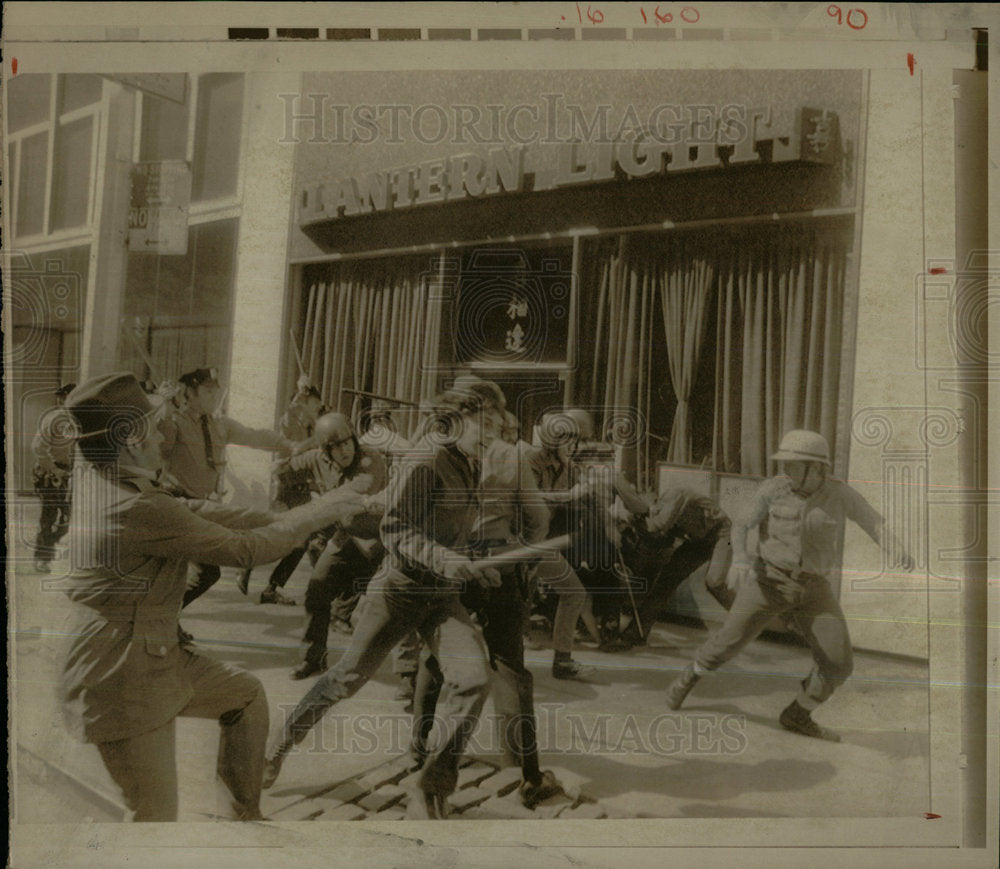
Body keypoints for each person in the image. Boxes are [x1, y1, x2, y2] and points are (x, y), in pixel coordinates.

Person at [57, 372, 369, 822]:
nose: (164, 434)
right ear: (127, 440)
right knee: (154, 817)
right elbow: (247, 550)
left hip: (150, 650)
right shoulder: (134, 506)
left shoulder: (104, 473)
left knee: (243, 697)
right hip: (120, 676)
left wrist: (310, 510)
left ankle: (241, 820)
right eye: (151, 424)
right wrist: (325, 512)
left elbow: (201, 511)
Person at [262, 386, 505, 820]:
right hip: (399, 590)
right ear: (456, 419)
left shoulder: (470, 464)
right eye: (486, 426)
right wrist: (444, 557)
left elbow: (449, 532)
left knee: (473, 681)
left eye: (497, 429)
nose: (493, 436)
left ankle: (429, 788)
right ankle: (277, 745)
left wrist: (475, 561)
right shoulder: (426, 460)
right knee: (347, 678)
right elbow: (395, 530)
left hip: (441, 596)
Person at [664, 429, 914, 741]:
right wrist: (740, 558)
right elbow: (742, 523)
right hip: (769, 581)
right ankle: (690, 676)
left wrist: (896, 549)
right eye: (784, 463)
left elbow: (872, 521)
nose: (786, 470)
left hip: (813, 589)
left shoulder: (840, 493)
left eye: (794, 465)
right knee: (726, 644)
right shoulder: (773, 490)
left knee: (838, 662)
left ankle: (798, 713)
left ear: (817, 467)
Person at [409, 409, 565, 809]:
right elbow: (539, 518)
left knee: (434, 658)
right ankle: (527, 775)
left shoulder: (440, 453)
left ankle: (419, 748)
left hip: (453, 566)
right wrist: (522, 557)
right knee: (509, 665)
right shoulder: (512, 458)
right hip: (498, 567)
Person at [157, 367, 300, 609]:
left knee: (202, 573)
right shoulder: (175, 422)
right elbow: (156, 446)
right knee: (196, 572)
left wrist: (292, 445)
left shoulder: (219, 425)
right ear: (190, 392)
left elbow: (255, 437)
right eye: (207, 391)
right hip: (177, 504)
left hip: (204, 507)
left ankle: (165, 620)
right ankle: (162, 621)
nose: (213, 397)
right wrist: (162, 406)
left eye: (216, 392)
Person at [290, 412, 389, 679]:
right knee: (316, 592)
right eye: (335, 447)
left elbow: (358, 490)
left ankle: (410, 677)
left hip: (381, 541)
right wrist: (281, 473)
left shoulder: (370, 458)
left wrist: (315, 506)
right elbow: (291, 465)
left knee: (395, 606)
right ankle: (313, 658)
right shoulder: (319, 459)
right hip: (346, 538)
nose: (344, 450)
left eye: (347, 442)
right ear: (326, 451)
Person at [601, 483, 734, 651]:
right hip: (696, 540)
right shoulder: (657, 507)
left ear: (650, 493)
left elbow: (658, 526)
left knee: (714, 582)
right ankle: (635, 635)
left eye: (638, 499)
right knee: (664, 584)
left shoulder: (674, 495)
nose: (640, 506)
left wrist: (629, 517)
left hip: (721, 533)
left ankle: (747, 620)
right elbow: (659, 535)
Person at [523, 409, 600, 680]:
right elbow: (529, 498)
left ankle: (563, 661)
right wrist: (569, 495)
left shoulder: (567, 466)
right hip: (519, 541)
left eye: (576, 440)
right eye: (571, 439)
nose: (575, 445)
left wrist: (589, 489)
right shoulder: (531, 458)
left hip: (540, 543)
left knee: (573, 592)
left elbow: (575, 499)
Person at [30, 382, 76, 573]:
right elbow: (38, 448)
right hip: (50, 473)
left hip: (69, 474)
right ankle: (42, 557)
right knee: (48, 517)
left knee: (69, 519)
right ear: (63, 398)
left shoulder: (78, 421)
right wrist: (55, 470)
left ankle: (51, 546)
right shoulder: (55, 418)